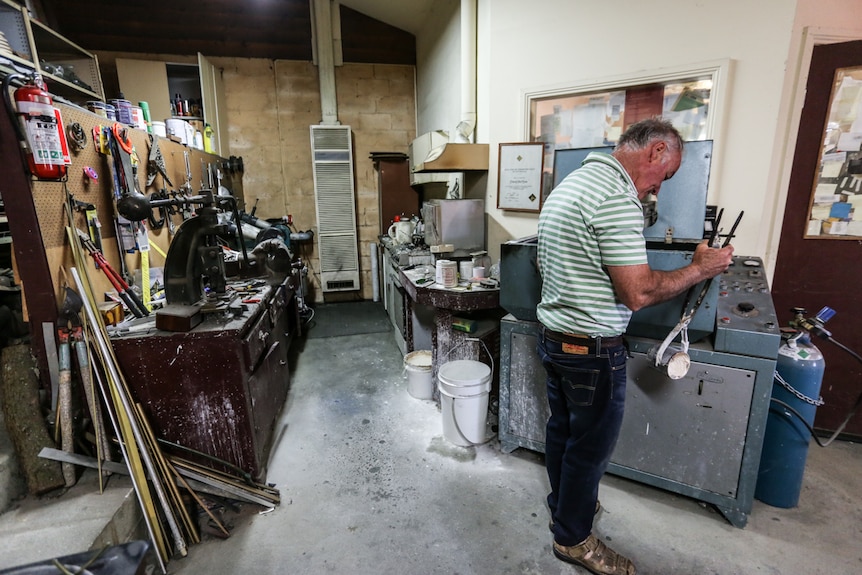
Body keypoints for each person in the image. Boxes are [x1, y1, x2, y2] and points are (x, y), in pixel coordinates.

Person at [535, 117, 734, 575]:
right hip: (591, 350)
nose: (657, 190)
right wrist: (700, 268)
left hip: (556, 339)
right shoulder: (615, 199)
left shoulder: (572, 185)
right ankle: (573, 540)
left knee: (563, 432)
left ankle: (564, 507)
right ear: (656, 152)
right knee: (589, 448)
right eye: (663, 177)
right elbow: (639, 293)